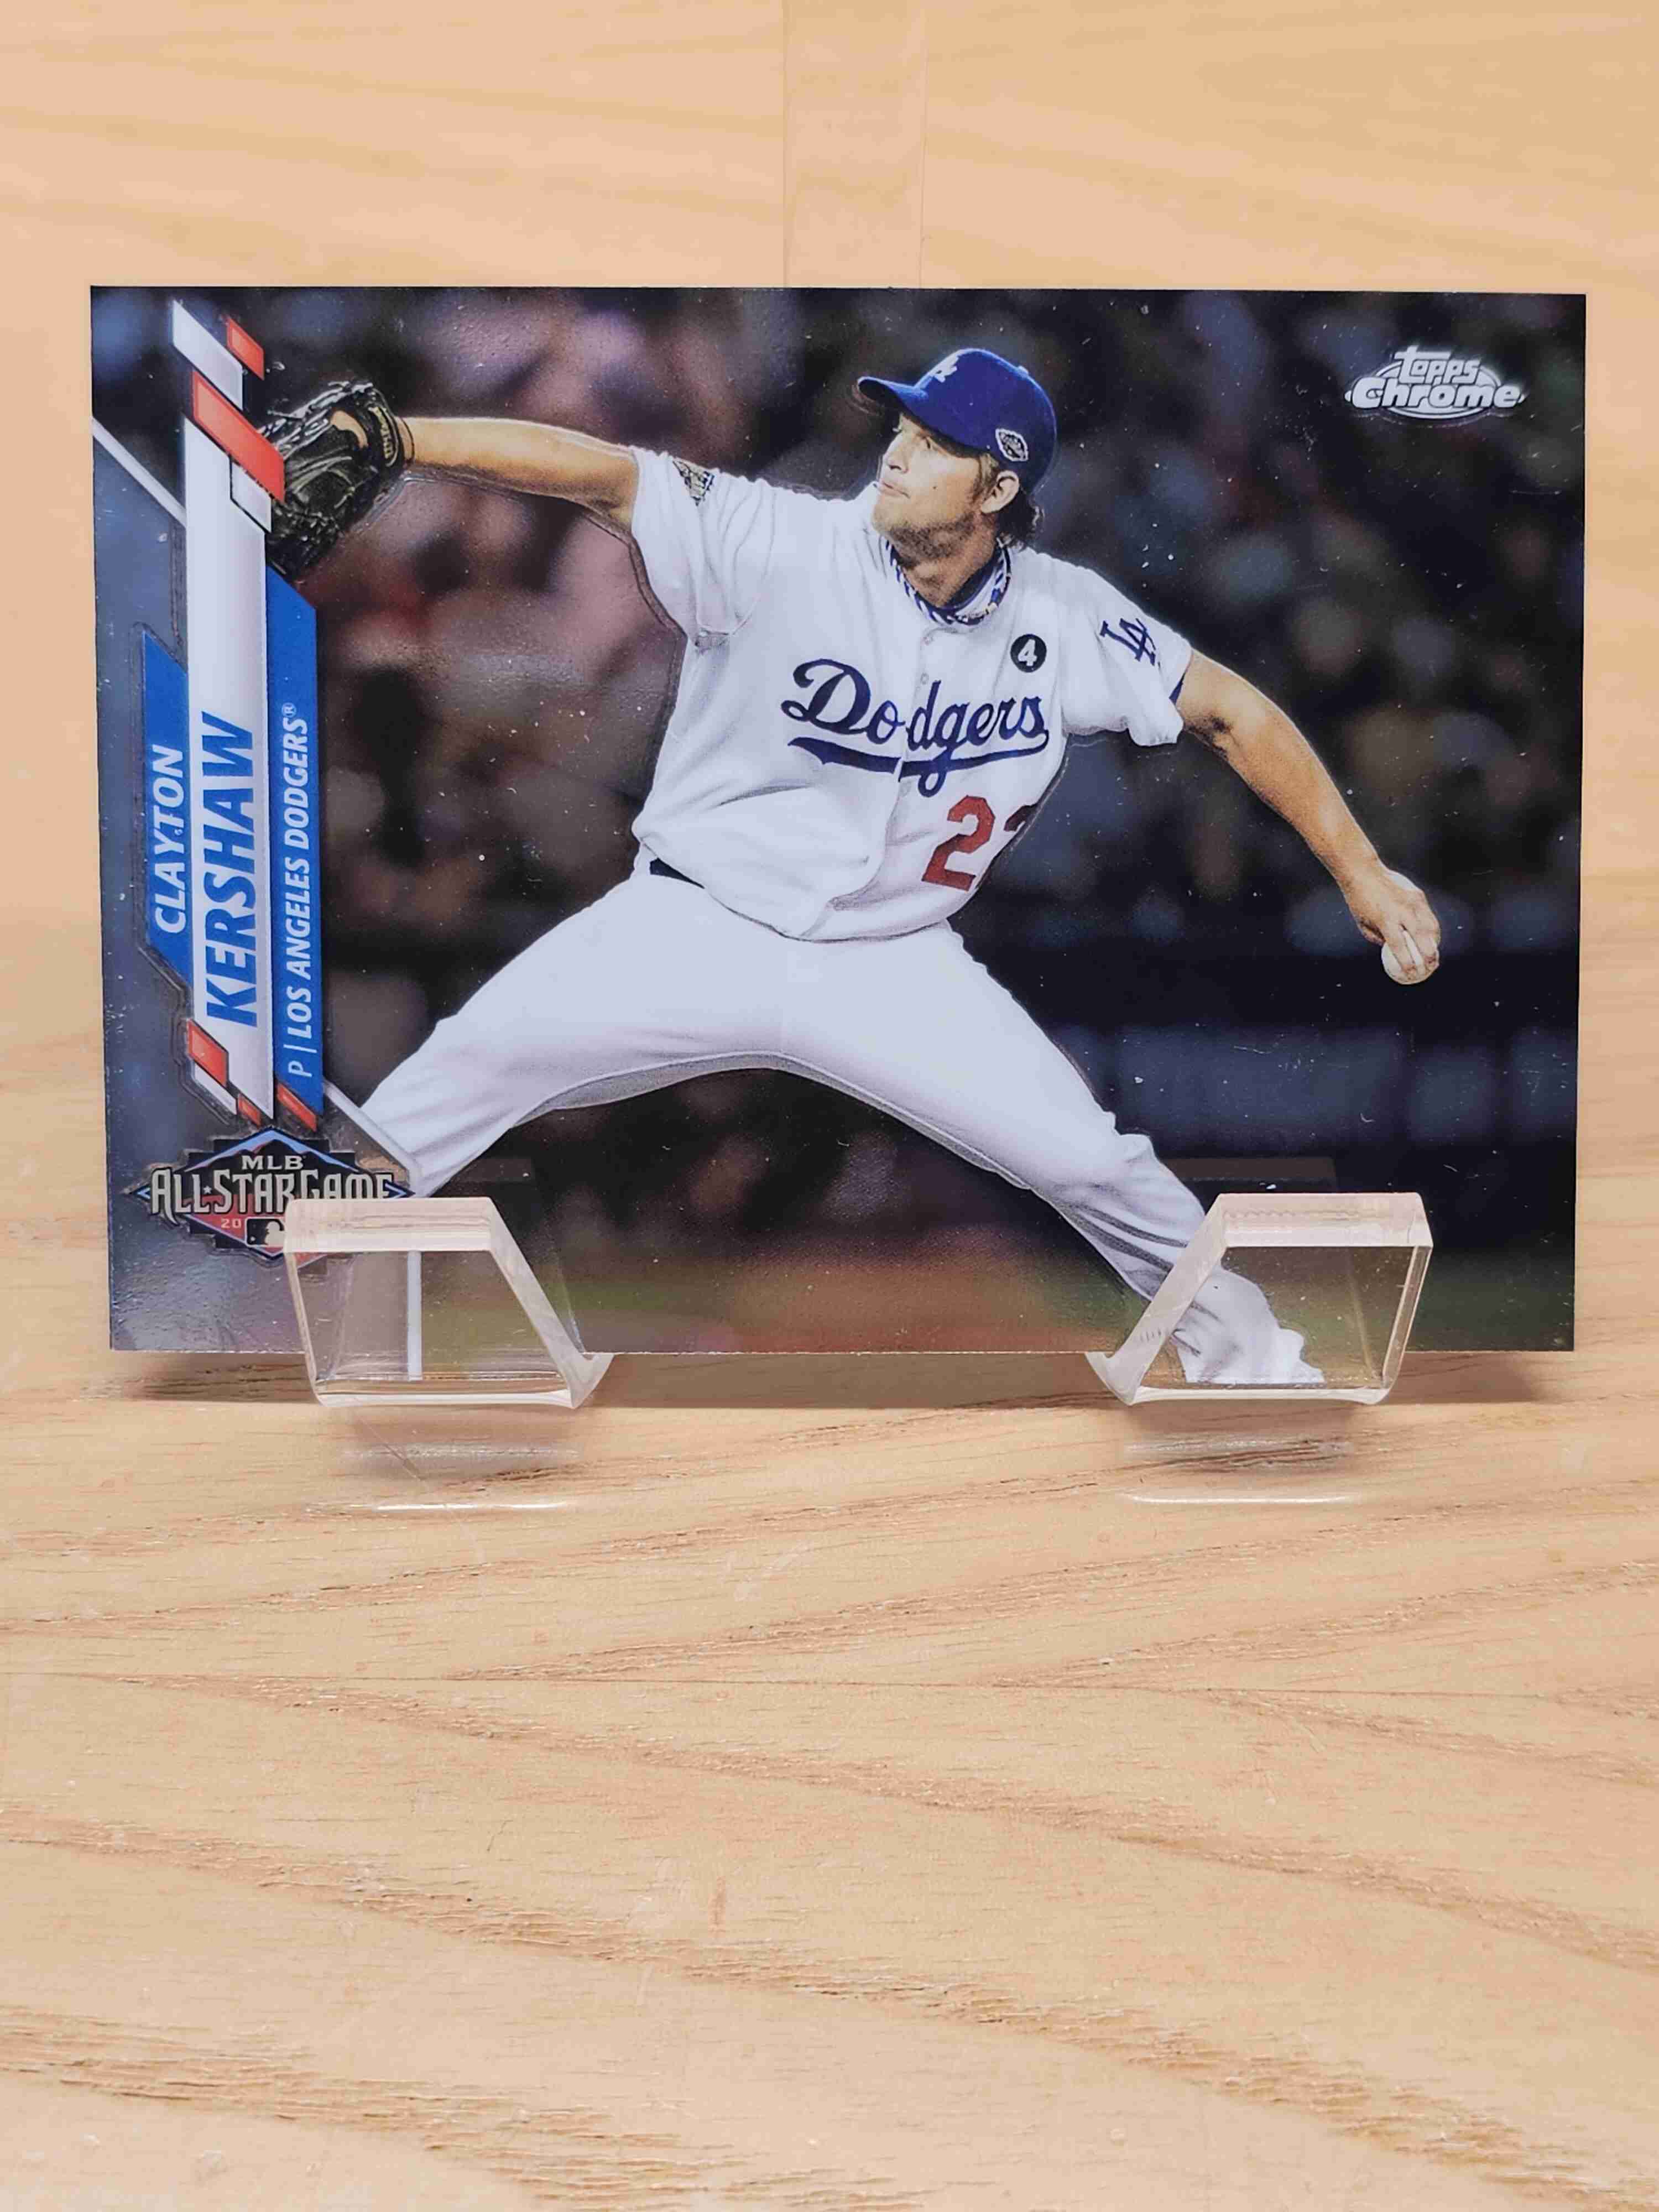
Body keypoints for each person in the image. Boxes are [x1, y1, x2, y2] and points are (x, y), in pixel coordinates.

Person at [351, 348, 1441, 1381]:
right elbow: (601, 473)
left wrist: (1360, 870)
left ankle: (1259, 1370)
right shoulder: (780, 540)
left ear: (998, 488)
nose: (900, 452)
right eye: (904, 428)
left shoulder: (1064, 616)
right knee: (451, 1082)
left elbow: (1232, 710)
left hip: (890, 960)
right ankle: (315, 1315)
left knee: (1092, 1164)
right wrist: (402, 439)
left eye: (937, 442)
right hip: (693, 926)